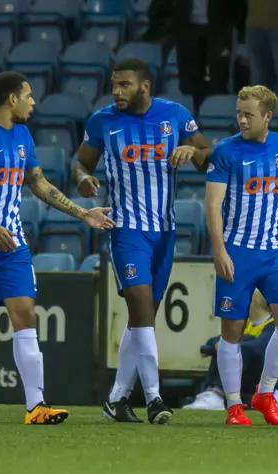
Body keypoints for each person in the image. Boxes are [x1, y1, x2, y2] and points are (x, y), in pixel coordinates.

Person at [0, 72, 115, 425]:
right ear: (11, 99)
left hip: (12, 242)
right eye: (28, 96)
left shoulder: (23, 136)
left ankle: (36, 406)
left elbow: (38, 183)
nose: (33, 102)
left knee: (26, 314)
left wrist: (82, 213)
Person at [71, 58, 211, 424]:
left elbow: (207, 156)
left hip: (164, 231)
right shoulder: (102, 121)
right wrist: (84, 180)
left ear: (145, 86)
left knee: (141, 317)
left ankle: (117, 399)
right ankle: (154, 399)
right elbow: (81, 164)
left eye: (125, 85)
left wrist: (193, 152)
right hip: (126, 229)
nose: (117, 92)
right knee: (142, 308)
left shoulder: (175, 115)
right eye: (114, 85)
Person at [204, 85, 278, 426]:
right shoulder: (225, 151)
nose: (242, 120)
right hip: (236, 250)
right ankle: (234, 404)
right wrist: (219, 250)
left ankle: (265, 393)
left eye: (249, 114)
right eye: (239, 113)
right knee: (232, 329)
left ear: (268, 115)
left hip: (273, 251)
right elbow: (213, 204)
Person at [184, 290, 278, 411]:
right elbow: (211, 343)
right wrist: (221, 346)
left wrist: (226, 346)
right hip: (253, 384)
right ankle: (213, 393)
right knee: (229, 346)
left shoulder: (275, 325)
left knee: (235, 347)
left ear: (255, 301)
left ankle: (217, 394)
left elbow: (258, 349)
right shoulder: (247, 325)